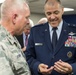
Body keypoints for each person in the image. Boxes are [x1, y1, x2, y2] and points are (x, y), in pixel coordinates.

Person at [25, 0, 76, 75]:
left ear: (62, 10)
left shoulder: (73, 31)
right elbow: (28, 56)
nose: (52, 17)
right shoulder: (35, 31)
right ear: (45, 12)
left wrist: (72, 68)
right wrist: (37, 66)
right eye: (49, 13)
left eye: (56, 12)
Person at [0, 0, 31, 75]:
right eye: (26, 17)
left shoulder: (12, 38)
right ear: (14, 18)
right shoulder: (1, 45)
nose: (28, 22)